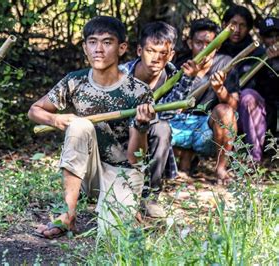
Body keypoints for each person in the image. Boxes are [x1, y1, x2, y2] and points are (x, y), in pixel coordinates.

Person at [28, 16, 155, 238]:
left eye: (107, 42)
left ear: (122, 48)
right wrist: (55, 119)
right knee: (78, 126)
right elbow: (34, 110)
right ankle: (68, 214)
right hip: (88, 171)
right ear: (85, 47)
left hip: (123, 172)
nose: (99, 49)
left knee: (113, 237)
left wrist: (142, 127)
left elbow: (136, 159)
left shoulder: (139, 91)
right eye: (93, 42)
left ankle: (129, 209)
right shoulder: (75, 81)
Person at [119, 21, 198, 218]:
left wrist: (187, 79)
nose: (156, 58)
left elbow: (170, 113)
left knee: (163, 129)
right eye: (150, 51)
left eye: (163, 53)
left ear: (171, 55)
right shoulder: (120, 74)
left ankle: (150, 197)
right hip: (120, 135)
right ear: (139, 50)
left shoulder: (174, 76)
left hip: (150, 130)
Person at [171, 18, 240, 183]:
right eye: (198, 43)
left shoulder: (226, 63)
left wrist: (220, 90)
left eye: (209, 43)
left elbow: (234, 107)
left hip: (207, 130)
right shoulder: (179, 64)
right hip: (179, 126)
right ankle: (179, 166)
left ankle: (221, 169)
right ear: (189, 43)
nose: (204, 48)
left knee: (225, 112)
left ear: (217, 45)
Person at [237, 16, 279, 162]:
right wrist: (267, 61)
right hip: (263, 113)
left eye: (277, 36)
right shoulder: (255, 56)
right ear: (262, 38)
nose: (274, 40)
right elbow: (247, 87)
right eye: (269, 36)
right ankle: (254, 158)